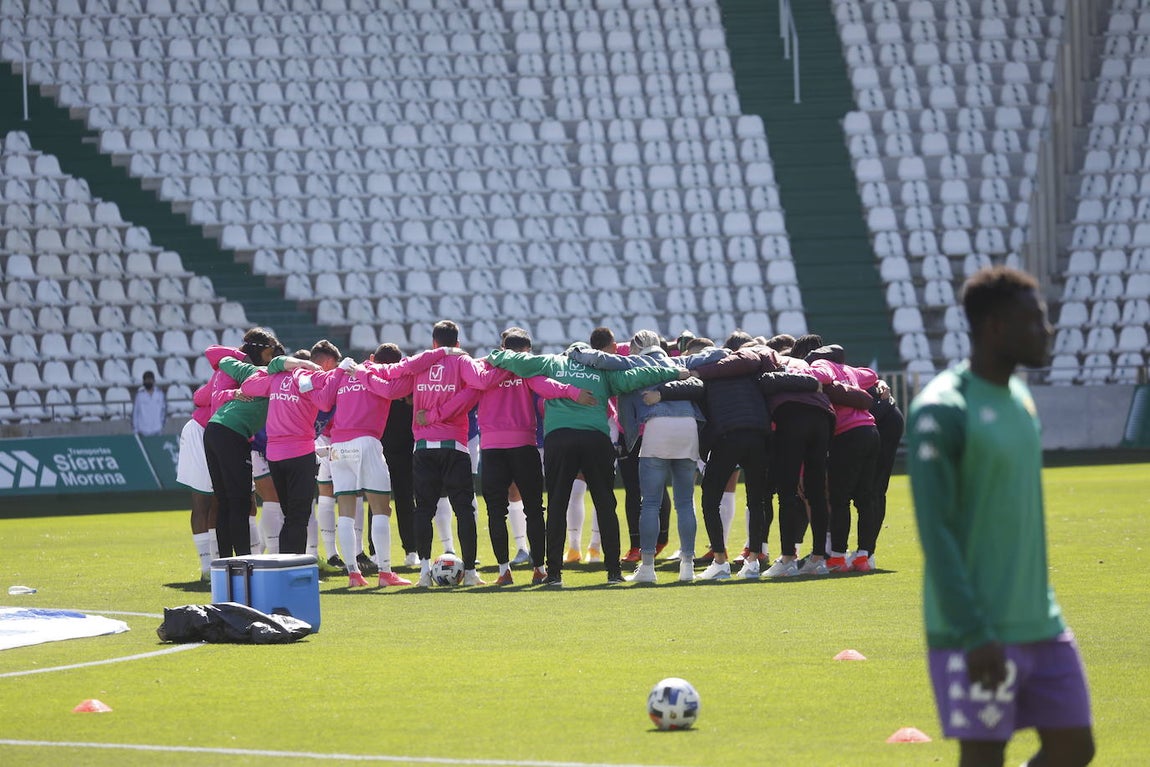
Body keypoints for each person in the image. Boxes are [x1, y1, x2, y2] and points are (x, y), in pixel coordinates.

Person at [908, 267, 1094, 767]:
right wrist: (974, 631)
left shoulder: (1020, 398)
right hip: (976, 627)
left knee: (1075, 746)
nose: (1047, 329)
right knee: (986, 756)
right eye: (1035, 320)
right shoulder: (943, 409)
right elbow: (937, 532)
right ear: (995, 327)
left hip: (1040, 619)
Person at [487, 338, 689, 585]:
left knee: (557, 505)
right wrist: (673, 371)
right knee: (605, 504)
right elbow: (636, 377)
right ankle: (614, 572)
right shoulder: (600, 372)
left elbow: (519, 360)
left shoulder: (552, 362)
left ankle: (554, 575)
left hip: (559, 439)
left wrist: (495, 356)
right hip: (596, 439)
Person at [419, 327, 596, 585]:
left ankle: (504, 571)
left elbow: (463, 399)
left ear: (503, 348)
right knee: (534, 510)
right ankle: (539, 569)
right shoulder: (526, 370)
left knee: (496, 512)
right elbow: (547, 387)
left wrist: (431, 417)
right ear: (526, 351)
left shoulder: (483, 370)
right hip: (523, 446)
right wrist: (573, 392)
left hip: (492, 449)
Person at [204, 328, 318, 558]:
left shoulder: (250, 373)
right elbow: (225, 358)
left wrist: (245, 370)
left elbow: (224, 361)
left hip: (214, 430)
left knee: (225, 501)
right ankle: (245, 560)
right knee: (239, 501)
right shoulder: (272, 378)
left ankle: (224, 563)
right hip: (232, 434)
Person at [132, 370, 166, 436]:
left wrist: (161, 425)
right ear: (143, 381)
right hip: (142, 431)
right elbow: (135, 413)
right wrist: (135, 429)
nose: (148, 382)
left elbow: (164, 411)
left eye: (150, 380)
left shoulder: (160, 394)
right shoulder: (139, 395)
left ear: (153, 381)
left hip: (157, 430)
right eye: (146, 380)